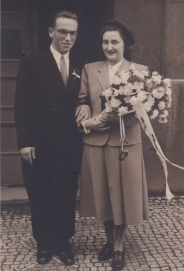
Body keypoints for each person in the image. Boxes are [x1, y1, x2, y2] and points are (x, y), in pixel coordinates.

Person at [15, 10, 90, 265]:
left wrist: (88, 106)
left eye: (73, 33)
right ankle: (44, 243)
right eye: (63, 32)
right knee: (40, 192)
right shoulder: (32, 62)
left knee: (67, 192)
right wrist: (25, 141)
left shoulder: (82, 64)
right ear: (51, 32)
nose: (68, 37)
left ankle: (63, 241)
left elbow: (89, 96)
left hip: (70, 142)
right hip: (39, 141)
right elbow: (21, 104)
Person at [76, 20, 149, 270]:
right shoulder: (90, 69)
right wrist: (85, 110)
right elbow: (82, 99)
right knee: (103, 196)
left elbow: (140, 109)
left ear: (125, 44)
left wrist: (99, 119)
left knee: (123, 196)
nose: (109, 46)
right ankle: (109, 239)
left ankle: (118, 245)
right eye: (106, 42)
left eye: (115, 42)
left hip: (126, 143)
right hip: (96, 143)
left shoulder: (139, 71)